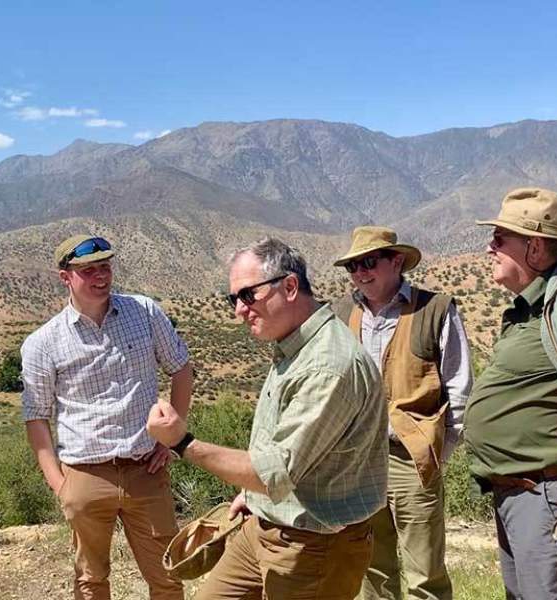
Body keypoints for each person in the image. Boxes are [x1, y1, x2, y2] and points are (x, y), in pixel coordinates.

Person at [147, 237, 388, 600]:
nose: (239, 311)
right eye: (233, 300)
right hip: (263, 524)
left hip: (313, 546)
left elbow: (274, 471)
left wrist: (183, 442)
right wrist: (252, 496)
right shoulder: (296, 346)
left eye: (247, 296)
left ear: (290, 286)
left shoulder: (327, 366)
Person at [20, 234, 193, 600]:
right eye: (88, 271)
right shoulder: (42, 342)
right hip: (84, 474)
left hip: (145, 468)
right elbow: (36, 417)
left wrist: (174, 440)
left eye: (105, 267)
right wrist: (60, 484)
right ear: (65, 277)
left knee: (167, 573)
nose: (101, 277)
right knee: (90, 580)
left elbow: (181, 369)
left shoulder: (144, 312)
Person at [465, 187, 557, 599]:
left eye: (499, 238)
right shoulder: (535, 303)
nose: (489, 247)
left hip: (552, 501)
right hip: (524, 497)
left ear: (534, 247)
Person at [334, 226, 472, 600]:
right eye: (352, 266)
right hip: (358, 463)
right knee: (370, 571)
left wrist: (437, 453)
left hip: (411, 460)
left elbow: (459, 387)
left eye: (368, 262)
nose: (360, 272)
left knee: (425, 575)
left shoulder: (435, 308)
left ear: (396, 261)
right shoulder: (341, 314)